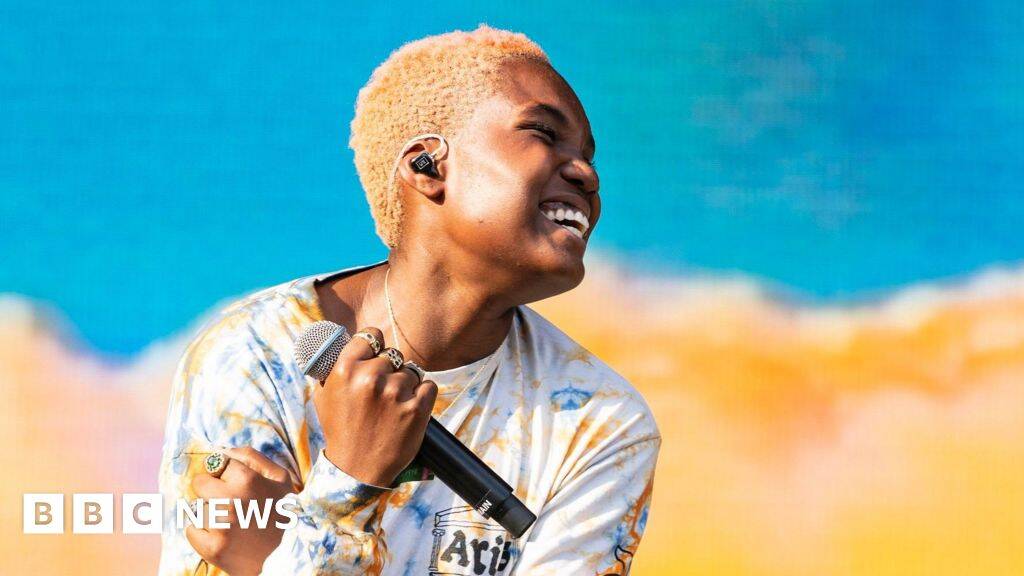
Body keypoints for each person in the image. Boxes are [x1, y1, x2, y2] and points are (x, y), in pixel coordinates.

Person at [157, 24, 661, 576]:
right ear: (428, 166)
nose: (586, 174)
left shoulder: (600, 422)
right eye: (543, 133)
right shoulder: (257, 354)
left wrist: (319, 518)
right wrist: (354, 480)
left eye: (588, 156)